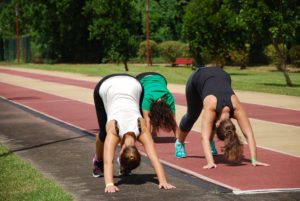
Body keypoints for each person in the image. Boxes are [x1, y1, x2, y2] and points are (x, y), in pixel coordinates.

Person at [93, 73, 175, 193]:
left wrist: (163, 181)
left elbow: (155, 158)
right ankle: (97, 161)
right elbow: (107, 161)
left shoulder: (142, 129)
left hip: (134, 83)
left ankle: (124, 166)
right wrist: (109, 183)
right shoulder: (114, 130)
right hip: (106, 85)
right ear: (120, 155)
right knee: (103, 134)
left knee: (106, 136)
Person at [175, 66, 270, 169]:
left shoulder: (237, 108)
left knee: (210, 119)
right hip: (198, 77)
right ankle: (179, 142)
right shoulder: (212, 107)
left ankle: (211, 144)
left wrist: (254, 159)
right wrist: (210, 162)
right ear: (216, 125)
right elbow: (204, 138)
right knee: (192, 115)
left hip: (222, 74)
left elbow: (249, 135)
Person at [136, 72, 178, 136]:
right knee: (140, 111)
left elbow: (173, 120)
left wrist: (180, 140)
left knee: (148, 114)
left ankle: (151, 131)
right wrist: (148, 139)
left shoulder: (169, 97)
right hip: (141, 79)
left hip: (160, 78)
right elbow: (147, 120)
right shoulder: (146, 98)